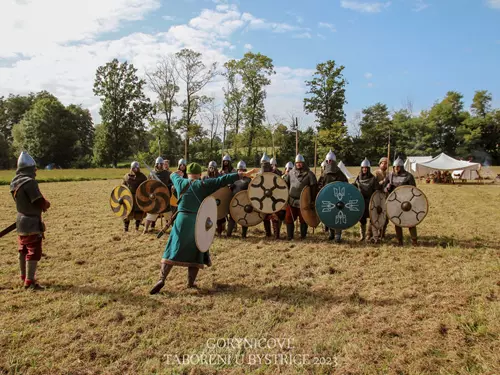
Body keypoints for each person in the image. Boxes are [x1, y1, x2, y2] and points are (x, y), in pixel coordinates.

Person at [150, 163, 256, 294]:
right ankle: (190, 282)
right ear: (200, 174)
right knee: (196, 250)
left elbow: (172, 175)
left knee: (172, 248)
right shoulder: (204, 184)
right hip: (198, 220)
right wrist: (241, 174)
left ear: (187, 173)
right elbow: (221, 180)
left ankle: (162, 278)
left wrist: (177, 173)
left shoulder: (180, 182)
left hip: (181, 220)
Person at [10, 151, 51, 290]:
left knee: (23, 249)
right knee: (34, 250)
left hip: (20, 219)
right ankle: (30, 282)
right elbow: (37, 200)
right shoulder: (30, 182)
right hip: (31, 222)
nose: (35, 171)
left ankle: (24, 277)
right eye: (34, 168)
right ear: (29, 168)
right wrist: (46, 204)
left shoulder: (14, 182)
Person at [383, 157, 418, 246]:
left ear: (402, 167)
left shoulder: (408, 176)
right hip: (395, 202)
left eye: (398, 167)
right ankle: (400, 241)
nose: (396, 168)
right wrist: (387, 188)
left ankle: (414, 240)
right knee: (397, 221)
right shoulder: (390, 176)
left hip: (407, 202)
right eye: (395, 167)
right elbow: (383, 189)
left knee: (410, 221)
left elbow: (414, 190)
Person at [283, 154, 318, 240]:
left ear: (303, 163)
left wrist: (313, 200)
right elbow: (285, 185)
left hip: (304, 201)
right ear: (295, 163)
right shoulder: (291, 173)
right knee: (289, 218)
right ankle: (290, 236)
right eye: (297, 163)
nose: (299, 164)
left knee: (303, 219)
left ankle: (303, 236)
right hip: (291, 200)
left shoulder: (310, 174)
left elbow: (314, 188)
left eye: (300, 162)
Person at [317, 149, 348, 242]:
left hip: (338, 197)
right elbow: (320, 185)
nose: (329, 162)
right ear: (326, 161)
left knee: (338, 215)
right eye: (328, 161)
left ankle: (338, 235)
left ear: (334, 161)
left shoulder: (339, 172)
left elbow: (345, 184)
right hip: (328, 198)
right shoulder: (324, 173)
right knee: (330, 215)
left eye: (331, 161)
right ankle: (331, 233)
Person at [353, 158, 381, 242]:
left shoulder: (373, 178)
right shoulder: (358, 177)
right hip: (361, 201)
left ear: (368, 169)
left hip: (370, 201)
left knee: (372, 219)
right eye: (363, 168)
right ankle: (362, 236)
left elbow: (377, 190)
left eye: (366, 168)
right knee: (362, 220)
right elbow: (355, 186)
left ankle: (375, 237)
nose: (364, 169)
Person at [143, 156, 172, 234]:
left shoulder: (167, 173)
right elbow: (148, 184)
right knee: (151, 213)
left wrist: (168, 187)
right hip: (155, 197)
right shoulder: (151, 173)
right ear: (156, 164)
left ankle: (173, 229)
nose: (159, 165)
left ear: (163, 164)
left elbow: (172, 183)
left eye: (161, 164)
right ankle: (145, 229)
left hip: (165, 196)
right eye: (158, 164)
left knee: (169, 214)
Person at [259, 153, 284, 239]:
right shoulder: (259, 174)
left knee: (274, 216)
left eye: (265, 164)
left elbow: (280, 184)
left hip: (274, 196)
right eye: (263, 164)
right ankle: (268, 234)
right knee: (265, 216)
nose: (264, 165)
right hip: (264, 197)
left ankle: (276, 235)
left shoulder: (275, 172)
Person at [227, 160, 251, 238]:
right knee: (232, 217)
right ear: (237, 170)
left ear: (245, 171)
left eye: (242, 170)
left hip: (244, 201)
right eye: (239, 170)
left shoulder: (248, 180)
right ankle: (229, 234)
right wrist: (230, 186)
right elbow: (228, 189)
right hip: (234, 201)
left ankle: (243, 235)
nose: (241, 171)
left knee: (244, 217)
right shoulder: (234, 179)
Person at [123, 161, 147, 231]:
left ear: (138, 168)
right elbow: (123, 186)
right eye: (133, 168)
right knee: (127, 213)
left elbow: (145, 186)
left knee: (138, 213)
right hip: (129, 197)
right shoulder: (126, 176)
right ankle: (126, 228)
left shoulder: (142, 176)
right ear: (131, 168)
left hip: (138, 197)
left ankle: (137, 228)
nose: (134, 169)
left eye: (136, 168)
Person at [370, 157, 389, 241]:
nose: (384, 164)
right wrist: (382, 182)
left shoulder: (389, 174)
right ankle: (369, 234)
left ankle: (382, 234)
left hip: (386, 196)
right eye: (383, 163)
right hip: (377, 197)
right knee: (374, 216)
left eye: (386, 163)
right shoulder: (375, 173)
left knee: (385, 216)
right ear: (380, 164)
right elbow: (372, 185)